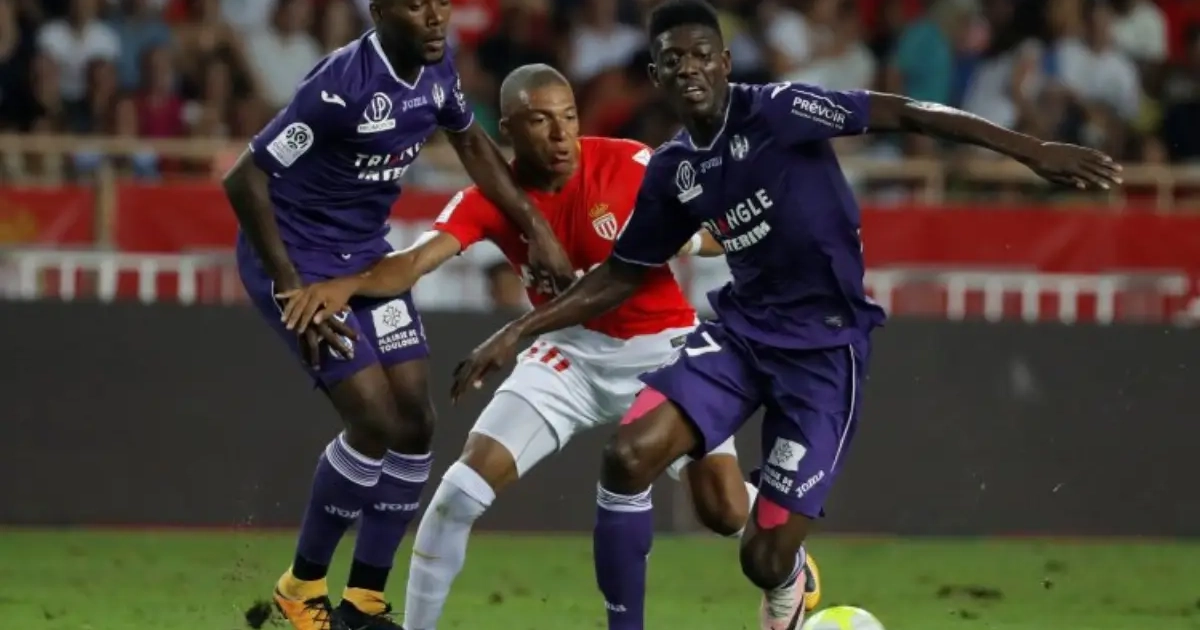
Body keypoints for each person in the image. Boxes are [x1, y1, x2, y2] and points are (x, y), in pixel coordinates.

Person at [450, 1, 1123, 630]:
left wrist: (1033, 151)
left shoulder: (779, 110)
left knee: (762, 557)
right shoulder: (675, 170)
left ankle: (789, 585)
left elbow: (909, 113)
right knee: (627, 456)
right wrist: (518, 330)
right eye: (672, 59)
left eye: (701, 54)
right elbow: (623, 273)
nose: (688, 68)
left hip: (824, 352)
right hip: (741, 337)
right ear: (655, 75)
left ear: (724, 62)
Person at [275, 63, 823, 630]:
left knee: (724, 510)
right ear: (508, 129)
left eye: (569, 117)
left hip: (664, 348)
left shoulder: (629, 164)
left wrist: (687, 237)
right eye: (540, 121)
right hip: (568, 355)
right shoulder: (490, 199)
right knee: (456, 497)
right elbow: (413, 262)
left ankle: (790, 559)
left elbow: (714, 230)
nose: (561, 136)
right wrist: (345, 285)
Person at [221, 1, 576, 629]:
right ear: (380, 11)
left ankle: (363, 600)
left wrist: (535, 226)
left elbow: (472, 142)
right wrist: (289, 285)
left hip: (365, 256)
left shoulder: (438, 68)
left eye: (441, 2)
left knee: (415, 421)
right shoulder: (339, 87)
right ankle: (301, 588)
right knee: (374, 419)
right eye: (416, 5)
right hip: (299, 260)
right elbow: (244, 180)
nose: (436, 17)